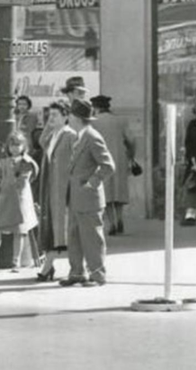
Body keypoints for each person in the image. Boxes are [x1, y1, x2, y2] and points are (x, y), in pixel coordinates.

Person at [58, 99, 114, 287]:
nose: (68, 118)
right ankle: (77, 272)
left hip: (89, 197)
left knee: (91, 237)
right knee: (74, 235)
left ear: (76, 117)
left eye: (70, 115)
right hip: (76, 196)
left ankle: (97, 274)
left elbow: (108, 166)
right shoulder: (78, 135)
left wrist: (92, 182)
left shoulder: (92, 136)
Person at [0, 131, 39, 272]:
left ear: (24, 146)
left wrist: (8, 183)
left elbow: (23, 180)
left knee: (19, 232)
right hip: (4, 200)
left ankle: (16, 261)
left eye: (18, 145)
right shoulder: (3, 162)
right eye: (12, 145)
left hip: (20, 201)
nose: (14, 148)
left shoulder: (27, 162)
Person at [36, 101, 76, 282]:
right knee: (50, 228)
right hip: (50, 187)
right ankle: (49, 267)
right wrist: (49, 124)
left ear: (66, 116)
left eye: (55, 115)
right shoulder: (52, 134)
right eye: (49, 115)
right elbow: (41, 142)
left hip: (62, 189)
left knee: (61, 230)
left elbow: (74, 164)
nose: (50, 118)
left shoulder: (70, 135)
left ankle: (49, 269)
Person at [92, 95, 138, 236]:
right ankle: (119, 219)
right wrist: (131, 156)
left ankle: (112, 223)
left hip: (100, 160)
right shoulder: (120, 120)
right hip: (119, 159)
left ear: (96, 107)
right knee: (119, 192)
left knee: (105, 193)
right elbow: (132, 140)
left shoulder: (93, 122)